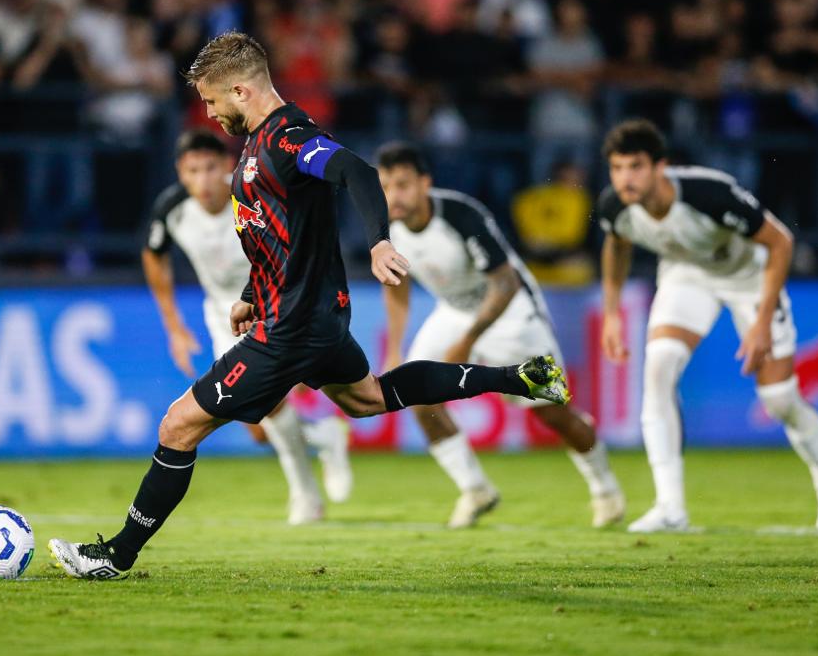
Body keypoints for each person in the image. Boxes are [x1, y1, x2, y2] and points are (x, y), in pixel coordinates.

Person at [50, 31, 570, 579]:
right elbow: (279, 235)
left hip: (293, 327)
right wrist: (253, 294)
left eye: (211, 100)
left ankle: (116, 556)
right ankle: (519, 378)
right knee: (368, 398)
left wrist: (378, 241)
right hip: (309, 316)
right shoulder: (255, 146)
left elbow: (356, 171)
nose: (207, 113)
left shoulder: (287, 137)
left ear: (242, 91)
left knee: (178, 427)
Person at [597, 118, 818, 532]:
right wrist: (611, 312)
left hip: (750, 278)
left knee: (780, 400)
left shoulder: (708, 193)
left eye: (636, 166)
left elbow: (781, 241)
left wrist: (762, 320)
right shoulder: (615, 205)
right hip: (687, 277)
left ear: (661, 166)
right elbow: (617, 245)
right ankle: (670, 507)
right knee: (659, 367)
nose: (625, 178)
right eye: (618, 168)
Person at [377, 143, 624, 529]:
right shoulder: (386, 227)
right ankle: (476, 490)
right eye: (386, 186)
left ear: (425, 183)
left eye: (403, 185)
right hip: (455, 313)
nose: (395, 195)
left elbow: (505, 283)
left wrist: (468, 340)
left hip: (511, 313)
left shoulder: (460, 215)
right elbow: (396, 285)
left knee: (552, 411)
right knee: (415, 393)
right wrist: (394, 348)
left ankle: (605, 489)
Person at [142, 129, 352, 525]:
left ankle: (306, 495)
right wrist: (174, 326)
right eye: (192, 171)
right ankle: (324, 436)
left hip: (277, 305)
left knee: (272, 407)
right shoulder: (171, 208)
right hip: (226, 317)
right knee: (259, 426)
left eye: (209, 168)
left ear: (226, 166)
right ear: (180, 172)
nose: (202, 181)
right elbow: (154, 256)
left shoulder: (251, 197)